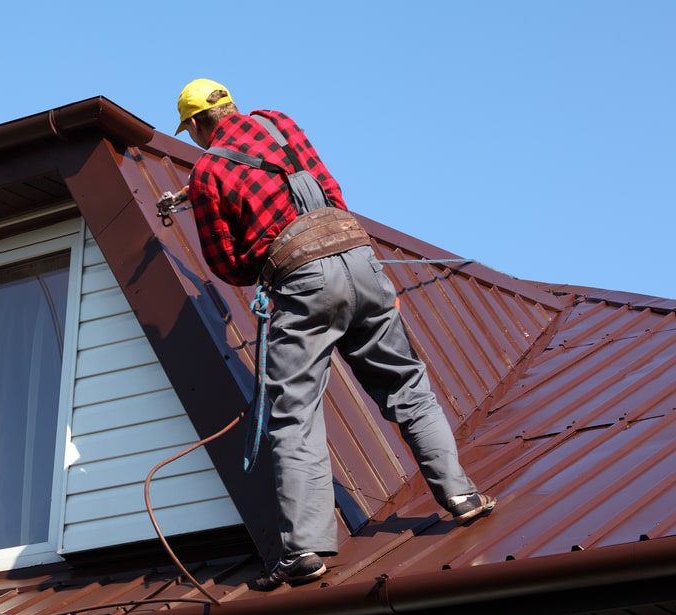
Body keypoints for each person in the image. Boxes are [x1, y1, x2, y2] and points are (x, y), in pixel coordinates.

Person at [174, 78, 496, 589]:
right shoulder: (278, 123)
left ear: (194, 124)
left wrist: (269, 260)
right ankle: (462, 495)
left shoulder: (209, 170)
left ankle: (304, 550)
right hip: (360, 257)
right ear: (231, 104)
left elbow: (226, 263)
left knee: (294, 413)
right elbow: (330, 191)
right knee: (406, 385)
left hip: (303, 280)